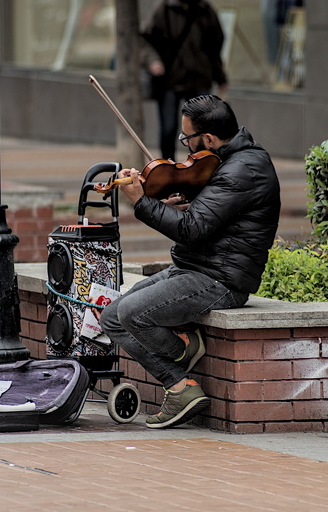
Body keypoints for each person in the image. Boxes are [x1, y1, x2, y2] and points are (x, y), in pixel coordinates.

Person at [92, 95, 280, 429]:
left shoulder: (243, 170)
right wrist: (175, 200)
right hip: (195, 268)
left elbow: (191, 229)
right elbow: (206, 216)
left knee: (131, 313)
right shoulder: (222, 161)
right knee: (111, 317)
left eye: (188, 140)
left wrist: (141, 202)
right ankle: (182, 372)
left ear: (208, 138)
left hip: (221, 280)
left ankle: (180, 374)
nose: (186, 150)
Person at [141, 0, 228, 162]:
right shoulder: (165, 5)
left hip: (199, 78)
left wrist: (221, 76)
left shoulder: (206, 9)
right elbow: (145, 39)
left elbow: (216, 46)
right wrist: (153, 62)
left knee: (203, 130)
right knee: (170, 128)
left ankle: (198, 169)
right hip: (170, 78)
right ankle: (169, 169)